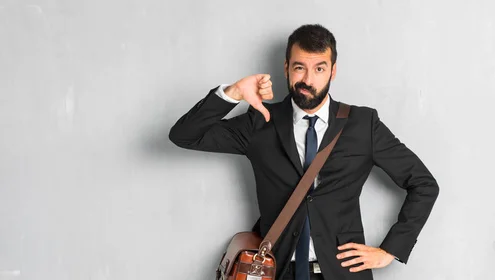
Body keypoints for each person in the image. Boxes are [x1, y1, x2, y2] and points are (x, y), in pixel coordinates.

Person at [169, 24, 439, 280]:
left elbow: (424, 184)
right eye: (299, 67)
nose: (308, 79)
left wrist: (390, 250)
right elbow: (184, 136)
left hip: (343, 274)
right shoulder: (260, 122)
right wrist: (234, 92)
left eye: (319, 69)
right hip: (277, 270)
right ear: (286, 68)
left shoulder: (362, 124)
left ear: (333, 71)